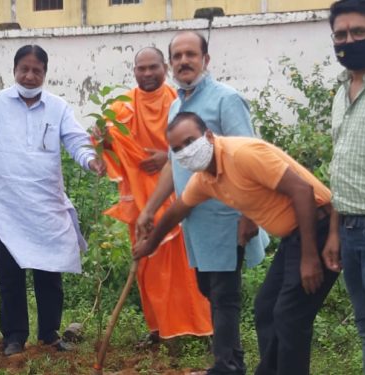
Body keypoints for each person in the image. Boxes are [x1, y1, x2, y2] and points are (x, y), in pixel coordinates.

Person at [135, 112, 339, 375]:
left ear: (208, 135)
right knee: (266, 308)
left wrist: (310, 257)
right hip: (293, 237)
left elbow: (303, 191)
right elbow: (178, 209)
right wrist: (150, 245)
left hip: (318, 228)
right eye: (177, 149)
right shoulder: (206, 178)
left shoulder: (241, 154)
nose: (185, 152)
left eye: (189, 142)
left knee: (290, 316)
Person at [136, 31, 267, 374]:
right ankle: (232, 360)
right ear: (171, 65)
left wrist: (250, 215)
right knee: (209, 288)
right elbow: (173, 164)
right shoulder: (177, 106)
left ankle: (227, 366)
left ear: (205, 60)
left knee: (224, 294)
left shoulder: (226, 100)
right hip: (195, 222)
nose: (184, 62)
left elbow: (252, 159)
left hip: (228, 217)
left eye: (190, 55)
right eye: (177, 57)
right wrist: (149, 210)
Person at [0, 44, 106, 357]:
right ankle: (14, 336)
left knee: (50, 271)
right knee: (10, 275)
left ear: (45, 73)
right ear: (15, 70)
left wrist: (91, 160)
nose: (30, 76)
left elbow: (75, 141)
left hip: (47, 204)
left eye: (37, 71)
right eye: (24, 70)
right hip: (8, 206)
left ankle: (49, 333)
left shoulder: (57, 107)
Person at [100, 46, 212, 343]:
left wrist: (168, 157)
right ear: (134, 70)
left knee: (183, 267)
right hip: (138, 200)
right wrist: (103, 141)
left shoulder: (178, 103)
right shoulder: (123, 106)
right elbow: (111, 147)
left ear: (165, 68)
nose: (147, 74)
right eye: (141, 68)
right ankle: (158, 328)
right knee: (148, 269)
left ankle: (194, 327)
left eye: (153, 67)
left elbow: (198, 143)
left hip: (176, 197)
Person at [322, 0, 365, 372]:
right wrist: (335, 231)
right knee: (364, 325)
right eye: (340, 34)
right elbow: (340, 165)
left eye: (358, 33)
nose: (347, 41)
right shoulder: (341, 92)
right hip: (350, 229)